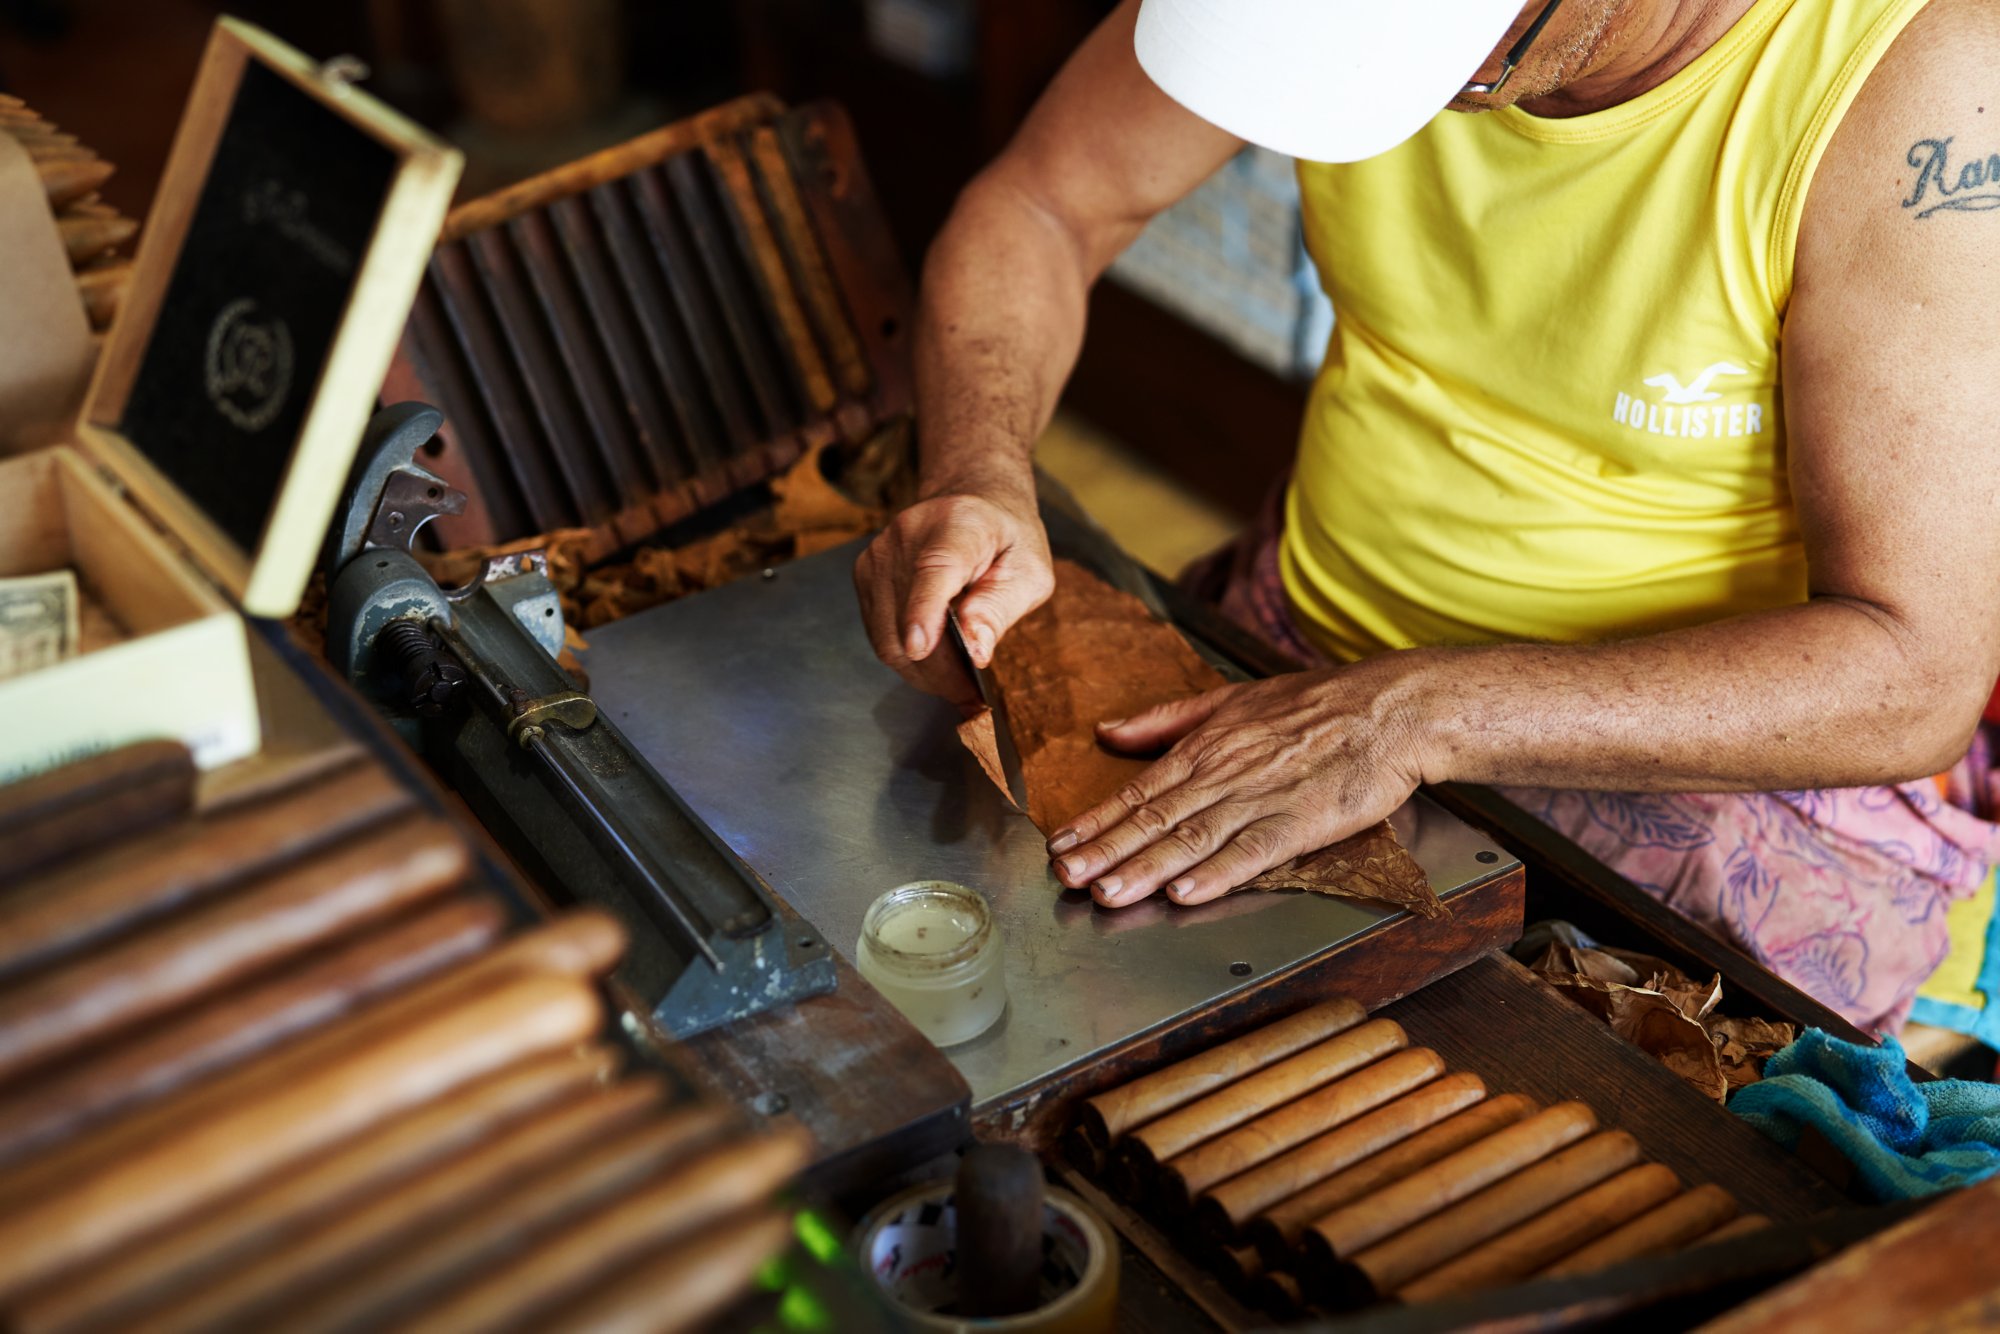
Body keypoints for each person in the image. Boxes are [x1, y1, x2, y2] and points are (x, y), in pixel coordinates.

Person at [852, 0, 2000, 1032]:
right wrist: (977, 466)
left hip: (1701, 749)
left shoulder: (1918, 95)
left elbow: (1914, 668)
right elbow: (1045, 202)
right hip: (1300, 652)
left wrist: (1415, 712)